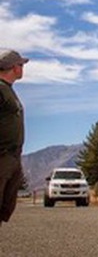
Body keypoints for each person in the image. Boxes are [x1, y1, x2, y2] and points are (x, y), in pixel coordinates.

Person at [0, 49, 29, 227]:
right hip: (1, 155)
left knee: (6, 204)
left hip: (12, 156)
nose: (23, 67)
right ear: (12, 67)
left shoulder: (9, 90)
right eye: (20, 64)